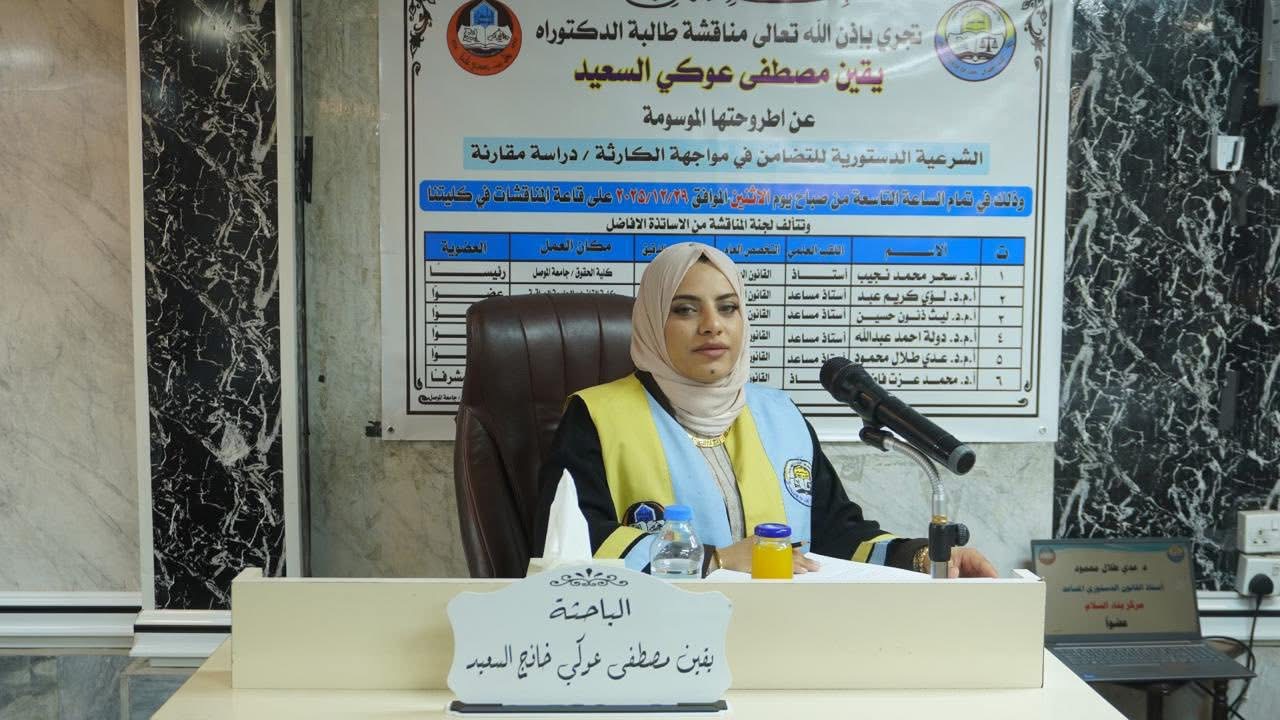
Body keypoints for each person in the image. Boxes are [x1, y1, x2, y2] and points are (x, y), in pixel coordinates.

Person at [535, 242, 996, 578]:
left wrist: (925, 557)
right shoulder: (596, 418)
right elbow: (567, 543)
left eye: (728, 308)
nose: (712, 326)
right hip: (658, 642)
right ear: (653, 323)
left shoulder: (780, 416)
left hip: (782, 632)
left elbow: (836, 534)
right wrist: (714, 559)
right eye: (685, 310)